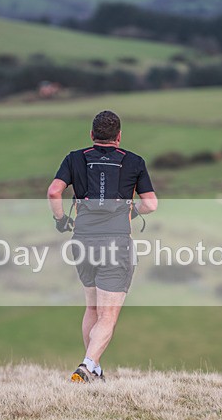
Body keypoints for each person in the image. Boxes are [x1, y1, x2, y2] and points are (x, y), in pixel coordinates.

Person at [47, 110, 158, 383]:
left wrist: (61, 220)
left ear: (92, 135)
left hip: (82, 241)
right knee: (108, 314)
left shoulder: (75, 158)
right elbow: (151, 204)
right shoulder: (134, 162)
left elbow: (53, 191)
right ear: (119, 137)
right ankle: (86, 366)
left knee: (93, 309)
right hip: (116, 243)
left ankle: (94, 370)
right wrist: (132, 213)